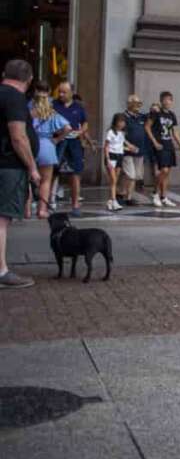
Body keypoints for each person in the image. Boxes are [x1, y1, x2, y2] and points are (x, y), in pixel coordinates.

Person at [0, 60, 39, 288]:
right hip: (8, 166)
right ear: (29, 79)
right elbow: (18, 137)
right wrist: (32, 167)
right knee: (2, 218)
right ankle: (1, 272)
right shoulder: (14, 98)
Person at [29, 82, 69, 219]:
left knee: (27, 179)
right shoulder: (51, 112)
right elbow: (68, 128)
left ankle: (26, 209)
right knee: (46, 180)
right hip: (47, 145)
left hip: (31, 145)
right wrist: (57, 139)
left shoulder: (29, 111)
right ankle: (42, 210)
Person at [53, 81, 91, 217]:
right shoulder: (53, 105)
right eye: (60, 92)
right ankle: (47, 203)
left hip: (74, 143)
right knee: (52, 171)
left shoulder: (78, 107)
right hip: (58, 141)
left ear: (71, 93)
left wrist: (81, 132)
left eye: (64, 92)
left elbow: (85, 123)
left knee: (75, 173)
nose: (61, 94)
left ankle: (75, 205)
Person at [147, 91, 180, 207]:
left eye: (169, 100)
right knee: (164, 170)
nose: (167, 102)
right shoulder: (156, 113)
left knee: (167, 173)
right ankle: (155, 192)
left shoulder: (172, 115)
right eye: (165, 100)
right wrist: (154, 142)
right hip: (160, 145)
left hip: (169, 145)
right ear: (161, 101)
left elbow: (174, 132)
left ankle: (164, 196)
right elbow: (147, 127)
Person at [118, 95, 149, 206]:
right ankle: (127, 197)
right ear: (129, 104)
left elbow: (152, 118)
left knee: (136, 175)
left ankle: (122, 193)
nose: (139, 105)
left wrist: (155, 109)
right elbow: (120, 134)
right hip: (127, 151)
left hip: (139, 151)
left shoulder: (141, 117)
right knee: (131, 175)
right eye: (136, 103)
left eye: (140, 103)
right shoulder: (123, 117)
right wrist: (129, 145)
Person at [104, 113, 138, 211]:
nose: (122, 124)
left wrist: (131, 148)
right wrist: (107, 159)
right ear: (116, 122)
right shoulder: (110, 132)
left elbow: (121, 145)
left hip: (119, 156)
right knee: (113, 179)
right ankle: (114, 200)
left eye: (123, 122)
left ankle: (111, 200)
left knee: (115, 179)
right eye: (120, 121)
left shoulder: (122, 133)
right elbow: (106, 146)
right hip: (111, 156)